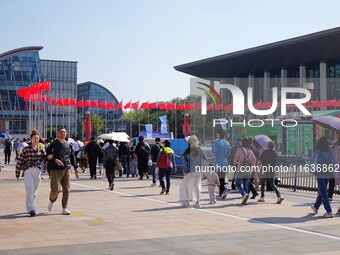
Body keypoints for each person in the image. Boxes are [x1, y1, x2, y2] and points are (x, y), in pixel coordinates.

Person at [46, 127, 79, 215]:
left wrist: (76, 169)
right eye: (61, 132)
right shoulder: (53, 144)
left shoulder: (69, 145)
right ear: (57, 133)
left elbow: (72, 157)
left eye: (64, 132)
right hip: (55, 170)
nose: (63, 133)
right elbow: (48, 156)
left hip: (66, 169)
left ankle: (64, 208)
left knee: (66, 189)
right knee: (55, 190)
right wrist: (54, 160)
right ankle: (52, 200)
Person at [15, 129, 46, 217]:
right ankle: (32, 208)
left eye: (37, 138)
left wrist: (51, 158)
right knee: (30, 188)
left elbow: (45, 158)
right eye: (34, 138)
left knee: (35, 191)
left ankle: (30, 207)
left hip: (38, 170)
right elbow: (20, 161)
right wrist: (17, 173)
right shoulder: (26, 149)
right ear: (31, 139)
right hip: (28, 169)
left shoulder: (40, 149)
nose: (36, 139)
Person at [310, 137, 336, 218]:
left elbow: (312, 163)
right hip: (328, 174)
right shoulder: (330, 153)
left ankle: (329, 211)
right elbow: (334, 164)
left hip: (320, 174)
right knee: (322, 191)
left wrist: (313, 172)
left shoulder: (317, 152)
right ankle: (315, 207)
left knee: (324, 193)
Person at [180, 135, 205, 208]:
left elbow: (185, 163)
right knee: (197, 185)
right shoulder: (200, 150)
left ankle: (186, 201)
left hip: (189, 171)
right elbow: (204, 161)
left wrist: (184, 171)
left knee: (186, 185)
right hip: (198, 170)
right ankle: (197, 202)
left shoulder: (187, 152)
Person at [233, 138, 256, 205]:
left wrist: (235, 162)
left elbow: (235, 159)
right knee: (246, 184)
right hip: (248, 170)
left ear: (243, 142)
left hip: (241, 169)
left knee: (237, 183)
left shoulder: (239, 150)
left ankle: (244, 194)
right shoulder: (250, 151)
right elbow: (254, 160)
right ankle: (245, 197)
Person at [211, 129, 231, 199]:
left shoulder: (216, 142)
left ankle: (223, 190)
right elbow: (229, 154)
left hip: (218, 163)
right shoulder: (227, 143)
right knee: (221, 178)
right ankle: (222, 193)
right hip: (225, 163)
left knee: (218, 179)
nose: (216, 135)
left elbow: (213, 153)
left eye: (217, 134)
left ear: (219, 134)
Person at [329, 133, 340, 200]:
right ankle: (330, 195)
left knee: (332, 179)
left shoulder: (335, 144)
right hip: (336, 163)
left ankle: (330, 195)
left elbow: (332, 154)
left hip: (335, 164)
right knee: (332, 179)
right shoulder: (335, 144)